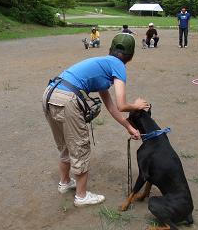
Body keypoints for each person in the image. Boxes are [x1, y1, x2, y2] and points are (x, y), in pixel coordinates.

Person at [42, 33, 149, 207]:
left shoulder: (102, 63)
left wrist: (128, 126)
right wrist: (136, 106)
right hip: (68, 98)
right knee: (80, 147)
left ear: (110, 49)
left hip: (50, 92)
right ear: (131, 56)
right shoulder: (119, 65)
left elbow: (111, 106)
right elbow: (122, 105)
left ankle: (64, 182)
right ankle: (82, 196)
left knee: (65, 145)